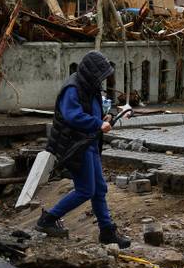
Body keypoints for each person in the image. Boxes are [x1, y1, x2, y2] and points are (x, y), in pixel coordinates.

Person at [36, 51, 130, 248]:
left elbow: (92, 110)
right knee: (86, 190)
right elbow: (73, 116)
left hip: (88, 142)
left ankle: (107, 232)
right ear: (91, 73)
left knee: (99, 189)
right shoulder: (72, 88)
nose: (102, 80)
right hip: (74, 146)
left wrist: (105, 117)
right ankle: (48, 219)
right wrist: (98, 123)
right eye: (100, 75)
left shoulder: (89, 85)